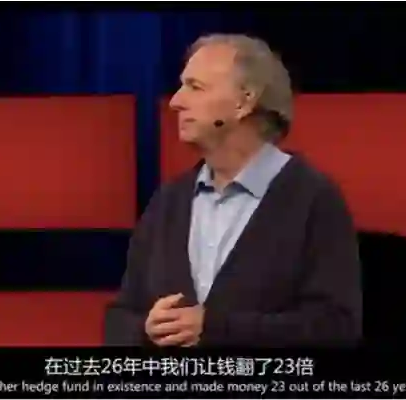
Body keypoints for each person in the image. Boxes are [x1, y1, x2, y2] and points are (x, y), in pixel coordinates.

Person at [103, 34, 362, 347]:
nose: (176, 101)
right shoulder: (168, 201)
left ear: (244, 101)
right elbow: (119, 319)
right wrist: (145, 331)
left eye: (195, 87)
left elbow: (335, 328)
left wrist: (216, 329)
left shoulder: (313, 199)